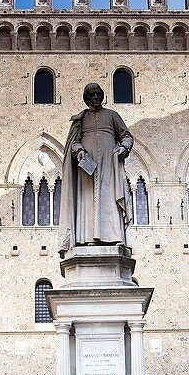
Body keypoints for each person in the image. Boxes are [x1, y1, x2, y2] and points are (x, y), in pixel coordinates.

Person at [58, 83, 134, 256]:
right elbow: (74, 141)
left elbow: (126, 136)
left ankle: (114, 237)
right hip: (87, 167)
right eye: (92, 95)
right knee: (87, 199)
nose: (96, 97)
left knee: (109, 197)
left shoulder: (113, 116)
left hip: (109, 163)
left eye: (98, 94)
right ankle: (87, 238)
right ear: (86, 98)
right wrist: (79, 151)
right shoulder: (81, 119)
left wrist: (124, 148)